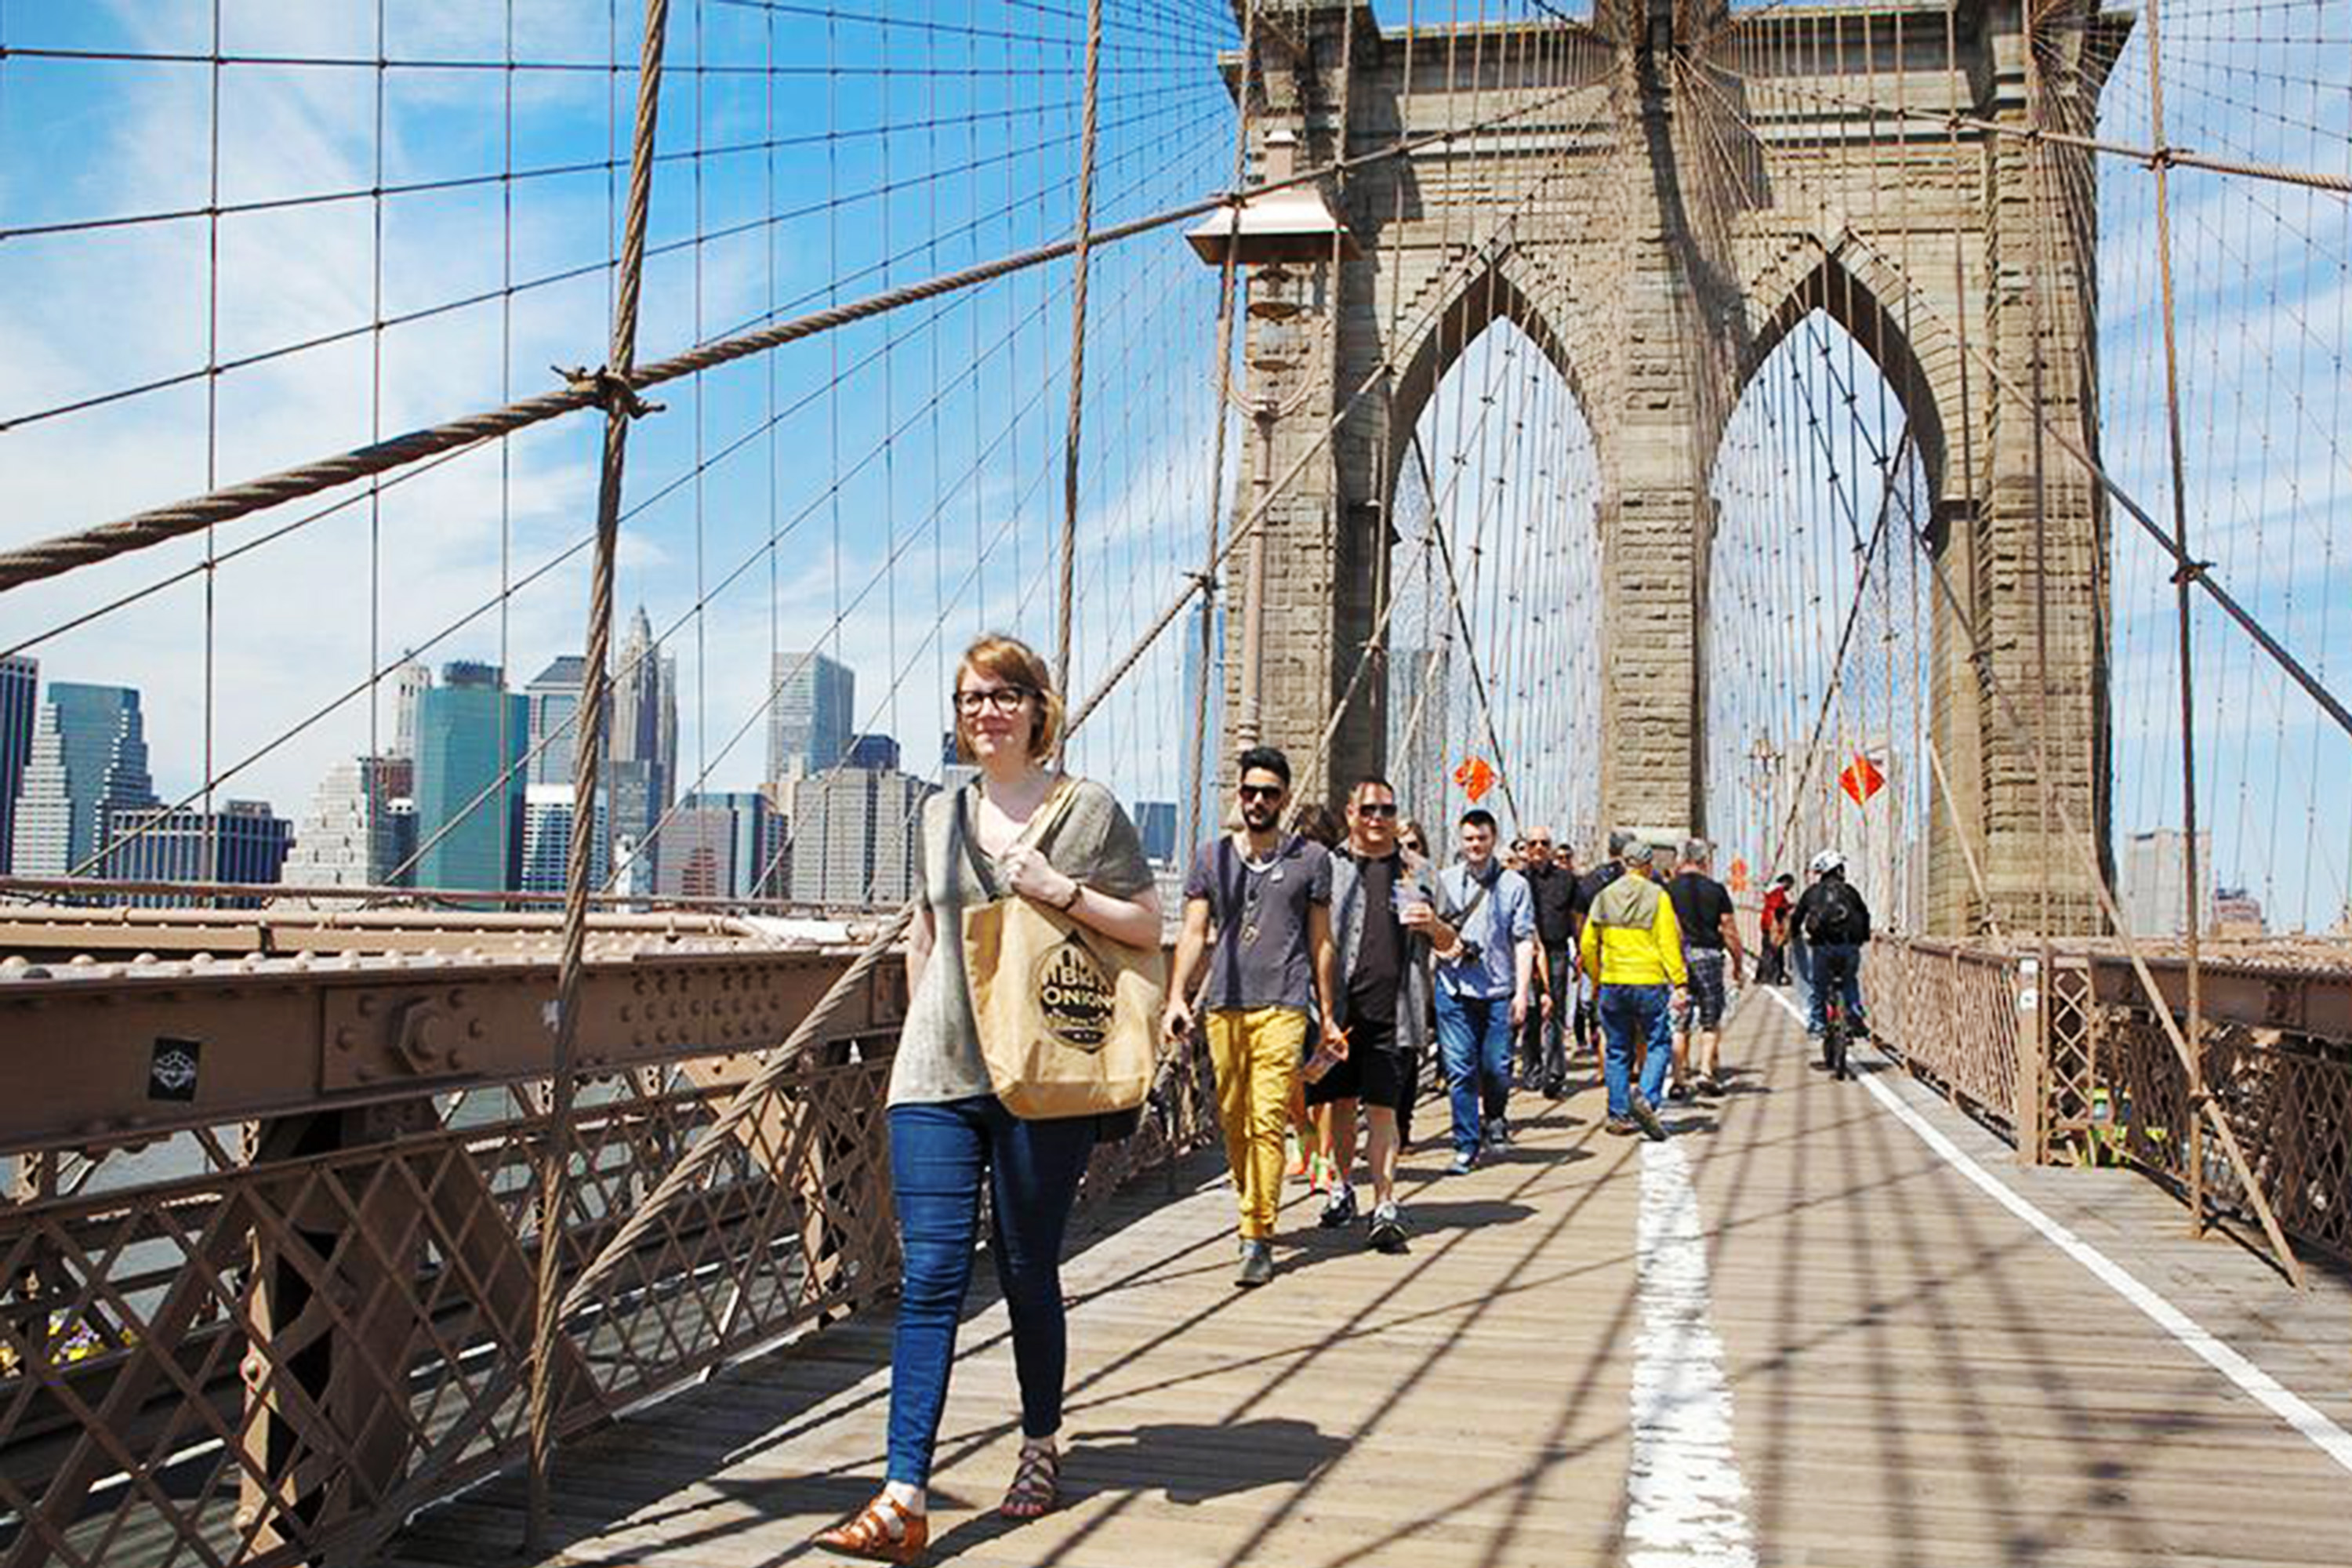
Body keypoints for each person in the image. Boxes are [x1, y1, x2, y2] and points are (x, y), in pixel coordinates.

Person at [816, 634, 1161, 1563]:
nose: (986, 711)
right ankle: (902, 1494)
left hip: (1041, 1077)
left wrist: (1063, 889)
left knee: (1023, 1267)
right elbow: (926, 938)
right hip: (937, 1075)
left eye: (1006, 694)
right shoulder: (937, 814)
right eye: (971, 697)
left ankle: (1040, 1443)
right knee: (928, 1278)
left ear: (1038, 707)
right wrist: (916, 1043)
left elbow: (1145, 925)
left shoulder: (1088, 809)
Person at [1163, 746, 1341, 1288]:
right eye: (1249, 791)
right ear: (1238, 795)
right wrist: (1176, 996)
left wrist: (1328, 1014)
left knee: (1267, 1118)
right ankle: (1253, 1207)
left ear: (1285, 798)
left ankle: (1257, 1233)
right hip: (1223, 1006)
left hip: (1284, 1004)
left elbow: (1321, 941)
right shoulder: (1209, 858)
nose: (1258, 801)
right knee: (1235, 1121)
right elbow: (1195, 932)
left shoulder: (1312, 860)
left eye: (1269, 792)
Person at [1308, 778, 1449, 1250]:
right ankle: (1342, 1188)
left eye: (1387, 810)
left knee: (1384, 1109)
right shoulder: (1326, 868)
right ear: (1350, 813)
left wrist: (1433, 924)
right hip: (1340, 1011)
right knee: (1342, 1106)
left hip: (1397, 1011)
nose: (1378, 818)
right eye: (1368, 809)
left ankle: (1386, 1202)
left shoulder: (1420, 871)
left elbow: (1452, 944)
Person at [1429, 808, 1535, 1173]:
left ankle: (1494, 1116)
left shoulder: (1515, 885)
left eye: (1482, 838)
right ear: (1461, 842)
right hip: (1454, 987)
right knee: (1460, 1068)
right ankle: (1465, 1143)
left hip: (1497, 989)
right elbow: (1430, 930)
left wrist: (1523, 993)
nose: (1475, 845)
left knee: (1497, 1067)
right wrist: (1442, 946)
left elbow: (1523, 940)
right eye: (1469, 839)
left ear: (1493, 840)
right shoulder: (1445, 880)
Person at [1579, 833, 1686, 1141]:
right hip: (1649, 982)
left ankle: (1618, 1115)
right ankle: (1646, 1099)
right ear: (1648, 866)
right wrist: (1679, 980)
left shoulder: (1603, 896)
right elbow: (1668, 942)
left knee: (1616, 1050)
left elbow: (1588, 944)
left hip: (1614, 982)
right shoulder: (1658, 897)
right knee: (1658, 1042)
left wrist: (1597, 977)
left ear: (1625, 864)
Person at [1666, 838, 1746, 1098]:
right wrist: (1738, 964)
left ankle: (1678, 1079)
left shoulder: (1668, 890)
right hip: (1710, 956)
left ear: (1681, 860)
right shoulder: (1716, 890)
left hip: (1678, 957)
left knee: (1680, 1019)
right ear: (1704, 861)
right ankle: (1705, 1073)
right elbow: (1729, 930)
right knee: (1710, 1018)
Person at [1519, 826, 1579, 1099]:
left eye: (1544, 843)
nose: (1539, 848)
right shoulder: (1519, 880)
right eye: (1534, 843)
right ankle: (1532, 1069)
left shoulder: (1566, 880)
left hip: (1556, 951)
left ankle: (1555, 1071)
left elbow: (1576, 917)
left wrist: (1579, 952)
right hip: (1525, 952)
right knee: (1530, 1013)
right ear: (1527, 848)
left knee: (1553, 1010)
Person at [1792, 849, 1872, 1037]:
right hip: (1849, 946)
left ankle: (1817, 1024)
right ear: (1837, 870)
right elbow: (1864, 915)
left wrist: (1794, 934)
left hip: (1822, 947)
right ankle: (1855, 1016)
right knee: (1850, 981)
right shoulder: (1850, 891)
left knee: (1818, 985)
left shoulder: (1811, 893)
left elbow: (1797, 918)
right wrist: (1862, 938)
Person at [1395, 817, 1435, 1149]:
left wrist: (1431, 923)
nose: (1406, 853)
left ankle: (1401, 1125)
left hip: (1414, 978)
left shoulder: (1429, 880)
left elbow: (1448, 930)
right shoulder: (1372, 877)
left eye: (1413, 845)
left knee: (1407, 1054)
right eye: (1400, 845)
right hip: (1376, 982)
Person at [1757, 871, 1795, 985]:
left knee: (1766, 950)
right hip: (1774, 924)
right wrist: (1789, 906)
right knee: (1776, 952)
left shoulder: (1770, 890)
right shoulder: (1778, 891)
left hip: (1766, 922)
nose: (1789, 888)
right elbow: (1777, 906)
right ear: (1786, 882)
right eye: (1790, 885)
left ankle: (1762, 977)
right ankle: (1774, 978)